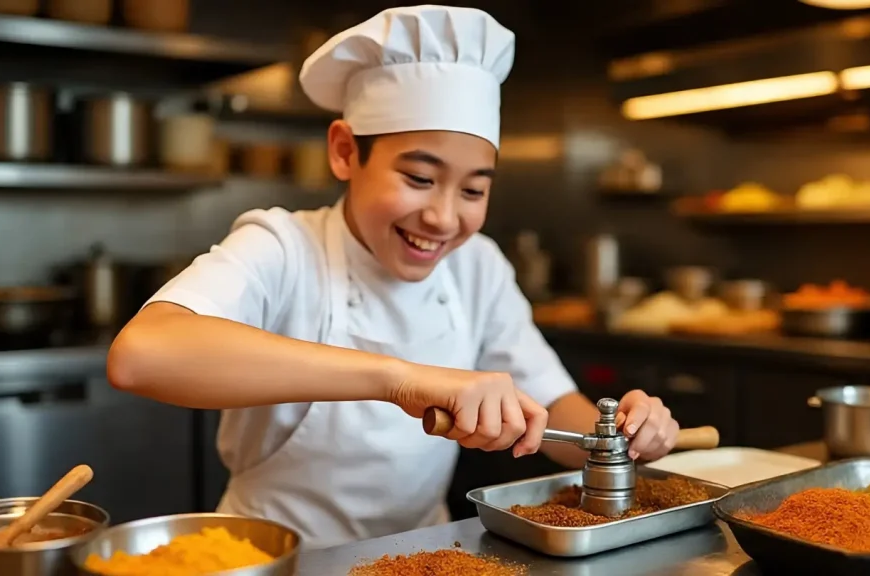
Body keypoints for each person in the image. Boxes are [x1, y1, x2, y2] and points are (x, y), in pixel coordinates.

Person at [107, 5, 680, 549]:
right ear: (343, 152)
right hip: (272, 556)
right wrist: (400, 379)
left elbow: (554, 406)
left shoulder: (477, 264)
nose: (444, 217)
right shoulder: (284, 247)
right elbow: (143, 354)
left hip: (416, 555)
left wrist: (621, 437)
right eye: (419, 178)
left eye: (474, 190)